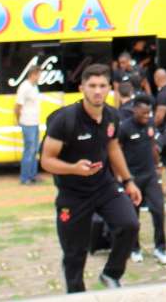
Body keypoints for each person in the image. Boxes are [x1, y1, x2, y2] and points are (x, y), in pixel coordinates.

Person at [40, 63, 142, 292]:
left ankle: (111, 274)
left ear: (110, 89)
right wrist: (74, 168)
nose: (97, 91)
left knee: (129, 224)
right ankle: (76, 294)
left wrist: (128, 181)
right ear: (82, 88)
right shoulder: (65, 120)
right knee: (74, 254)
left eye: (102, 86)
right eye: (92, 86)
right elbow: (46, 161)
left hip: (104, 186)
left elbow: (113, 147)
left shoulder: (112, 115)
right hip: (73, 194)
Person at [118, 93, 166, 265]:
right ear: (135, 110)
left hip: (150, 175)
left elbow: (152, 146)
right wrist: (122, 177)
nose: (147, 116)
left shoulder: (150, 124)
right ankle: (135, 249)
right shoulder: (124, 128)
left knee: (158, 210)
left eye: (149, 113)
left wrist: (158, 167)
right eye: (144, 113)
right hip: (133, 178)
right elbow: (117, 152)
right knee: (133, 217)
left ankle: (160, 249)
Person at [15, 65, 43, 184]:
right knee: (29, 150)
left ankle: (33, 175)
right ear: (33, 74)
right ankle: (25, 177)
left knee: (35, 150)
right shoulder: (24, 87)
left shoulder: (34, 87)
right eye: (39, 74)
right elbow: (18, 106)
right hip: (27, 123)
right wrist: (19, 120)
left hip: (35, 122)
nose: (40, 77)